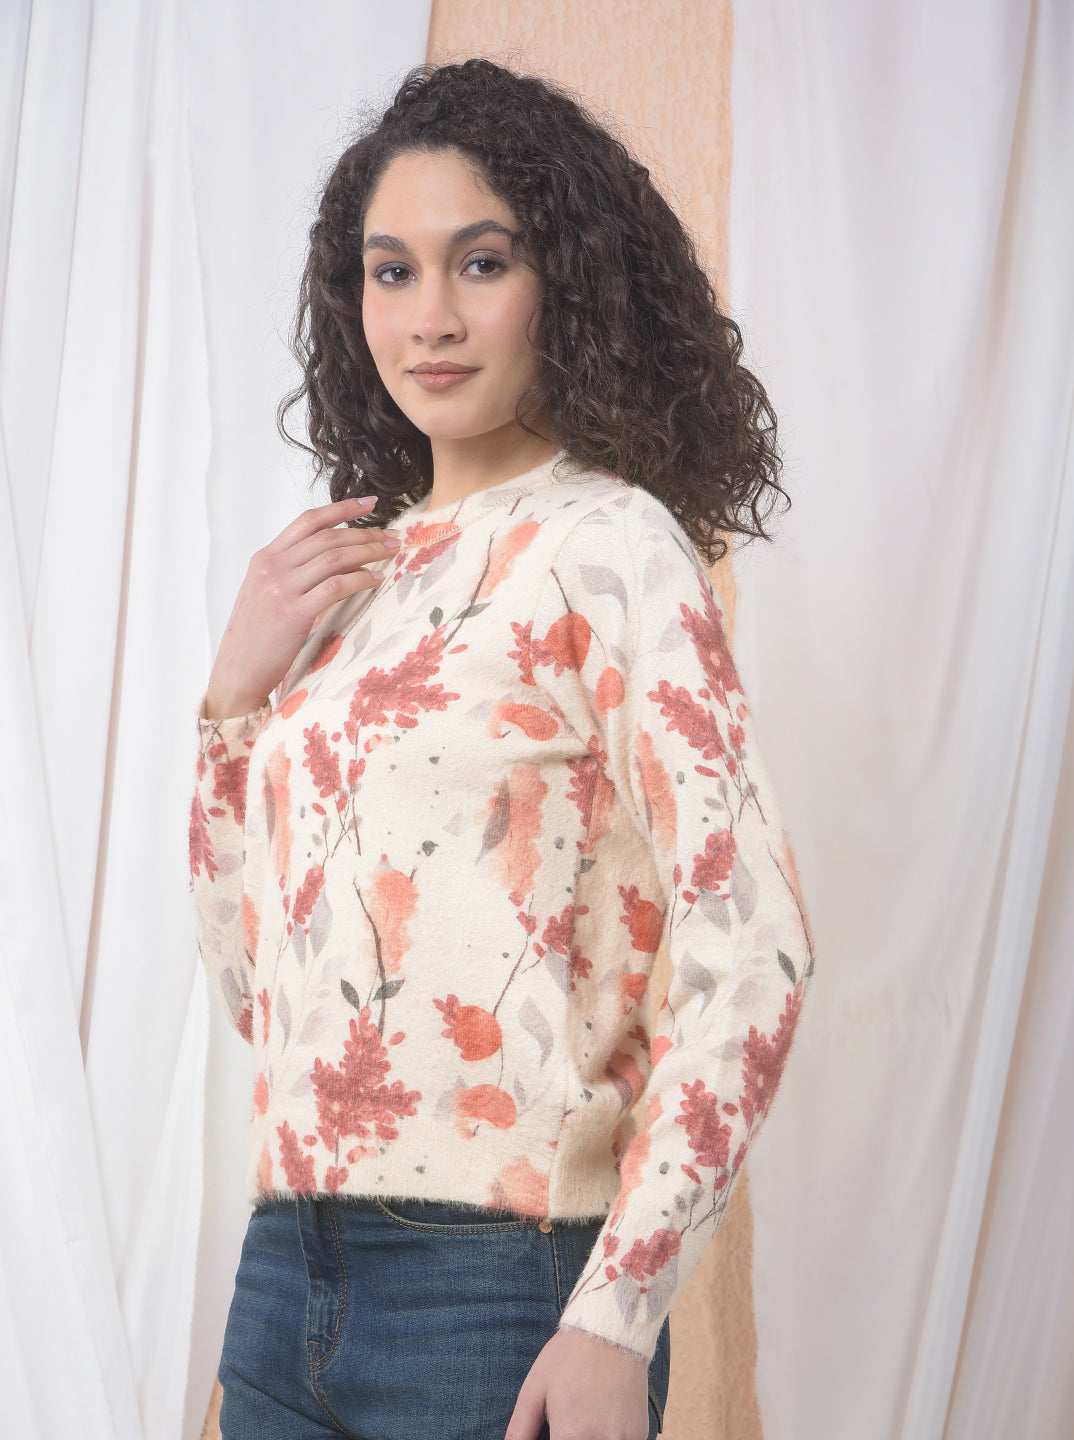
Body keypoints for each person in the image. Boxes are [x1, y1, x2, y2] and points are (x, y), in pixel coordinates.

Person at [189, 58, 815, 1440]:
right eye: (391, 272)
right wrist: (232, 701)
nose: (431, 316)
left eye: (481, 262)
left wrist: (616, 1312)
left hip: (499, 1285)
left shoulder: (610, 545)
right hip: (286, 1271)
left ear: (565, 283)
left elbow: (754, 945)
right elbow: (256, 986)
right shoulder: (343, 582)